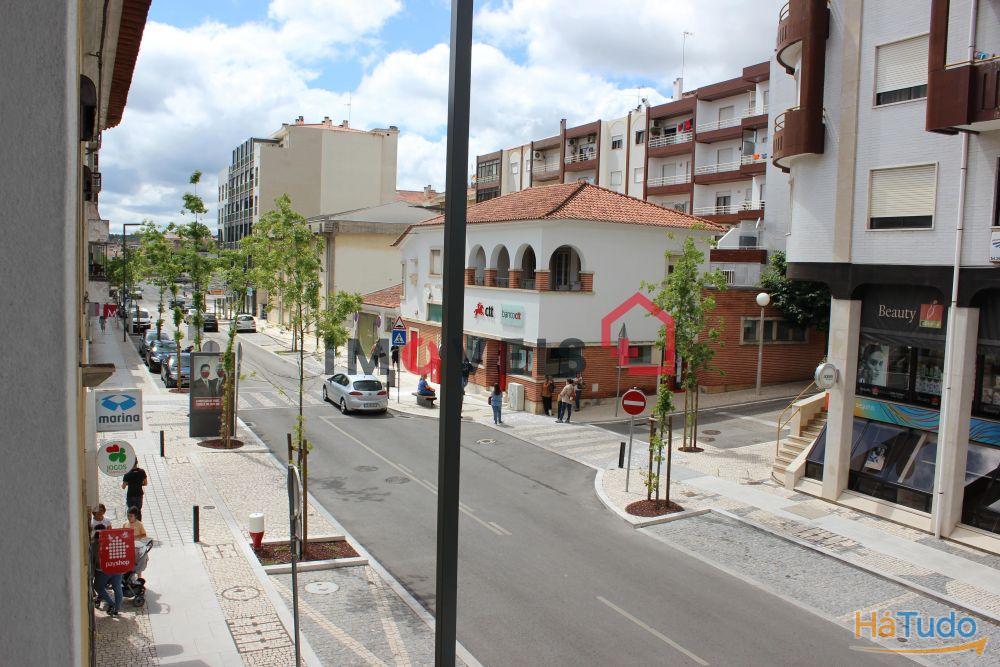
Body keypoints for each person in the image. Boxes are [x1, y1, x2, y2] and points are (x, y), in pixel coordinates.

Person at [92, 528, 123, 616]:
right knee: (117, 588)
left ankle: (111, 603)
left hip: (103, 571)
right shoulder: (112, 540)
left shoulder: (94, 545)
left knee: (98, 586)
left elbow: (94, 560)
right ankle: (116, 609)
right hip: (117, 567)